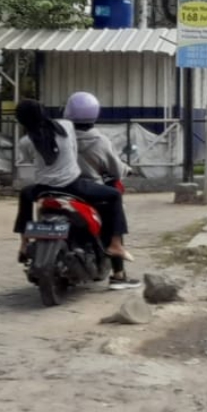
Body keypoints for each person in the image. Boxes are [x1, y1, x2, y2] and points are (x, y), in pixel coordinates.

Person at [13, 99, 129, 262]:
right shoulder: (66, 126)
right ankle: (116, 245)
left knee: (25, 195)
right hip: (72, 187)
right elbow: (74, 150)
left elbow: (30, 159)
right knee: (115, 195)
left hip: (43, 189)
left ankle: (24, 244)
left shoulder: (25, 142)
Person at [63, 91, 138, 288]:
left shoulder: (62, 137)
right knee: (113, 208)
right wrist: (128, 170)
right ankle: (119, 273)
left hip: (61, 188)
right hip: (89, 189)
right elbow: (115, 169)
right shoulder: (100, 141)